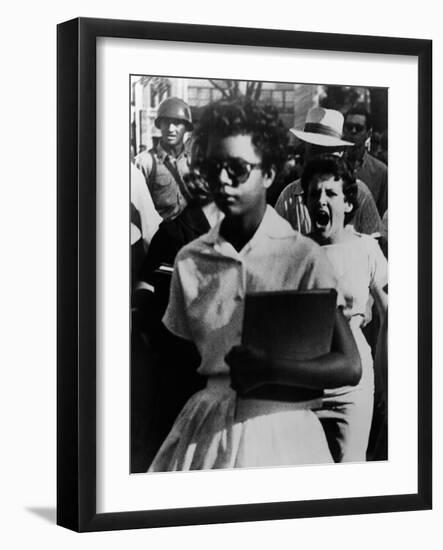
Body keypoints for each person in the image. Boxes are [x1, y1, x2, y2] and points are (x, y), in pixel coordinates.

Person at [148, 98, 361, 472]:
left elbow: (348, 365)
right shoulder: (191, 259)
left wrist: (273, 368)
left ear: (268, 173)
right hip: (207, 437)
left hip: (285, 434)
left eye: (238, 168)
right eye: (214, 167)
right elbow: (175, 372)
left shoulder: (301, 256)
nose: (223, 181)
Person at [301, 155, 388, 462]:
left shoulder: (367, 248)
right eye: (314, 194)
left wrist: (392, 380)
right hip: (304, 388)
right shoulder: (294, 251)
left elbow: (390, 313)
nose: (320, 200)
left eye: (331, 194)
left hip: (353, 387)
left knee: (351, 474)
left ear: (349, 204)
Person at [275, 107, 383, 236]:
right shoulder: (289, 197)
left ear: (340, 152)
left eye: (327, 152)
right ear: (305, 151)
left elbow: (375, 243)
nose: (320, 161)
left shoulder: (360, 194)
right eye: (314, 150)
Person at [135, 97, 193, 221]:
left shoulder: (194, 162)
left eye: (177, 123)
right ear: (160, 125)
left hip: (192, 237)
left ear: (186, 127)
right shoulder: (144, 162)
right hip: (161, 237)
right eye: (166, 122)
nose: (171, 129)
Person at [343, 106, 388, 217]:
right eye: (349, 127)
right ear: (343, 130)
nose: (353, 131)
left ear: (368, 133)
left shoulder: (381, 171)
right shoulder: (333, 165)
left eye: (358, 128)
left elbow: (383, 215)